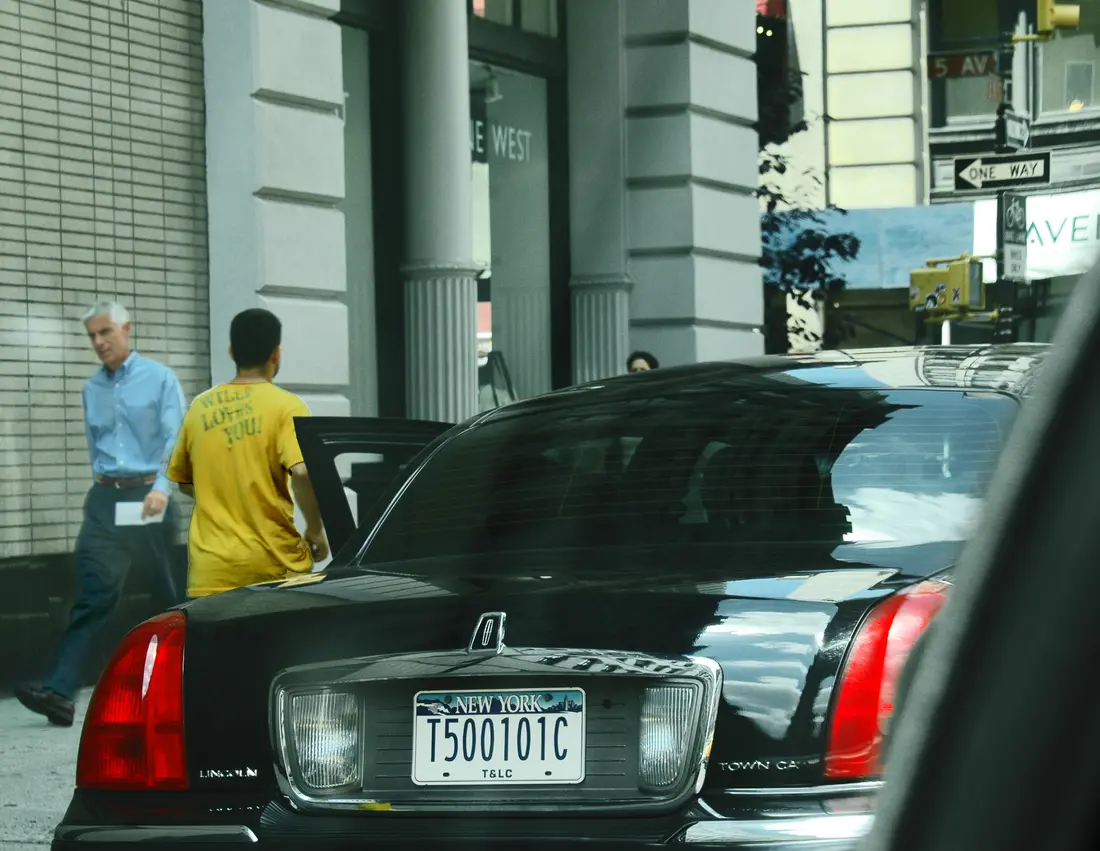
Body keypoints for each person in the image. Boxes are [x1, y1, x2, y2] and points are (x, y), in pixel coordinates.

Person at [16, 300, 186, 727]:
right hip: (106, 501)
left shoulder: (160, 379)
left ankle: (187, 684)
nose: (98, 342)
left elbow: (176, 437)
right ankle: (59, 692)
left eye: (105, 332)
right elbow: (98, 447)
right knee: (93, 597)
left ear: (127, 329)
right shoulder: (92, 388)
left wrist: (162, 490)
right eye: (92, 335)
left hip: (148, 497)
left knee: (164, 599)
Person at [166, 308, 329, 599]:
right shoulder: (287, 407)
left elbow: (184, 481)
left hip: (211, 570)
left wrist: (228, 495)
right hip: (271, 568)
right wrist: (315, 530)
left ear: (231, 351)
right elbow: (302, 472)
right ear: (276, 354)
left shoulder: (201, 407)